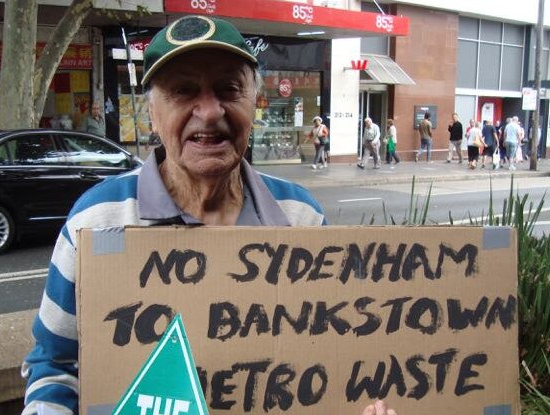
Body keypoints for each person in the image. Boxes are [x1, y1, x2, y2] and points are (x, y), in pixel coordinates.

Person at [20, 15, 394, 415]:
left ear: (254, 103)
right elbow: (56, 364)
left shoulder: (300, 217)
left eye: (228, 89)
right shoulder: (96, 219)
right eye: (183, 91)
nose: (211, 111)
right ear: (152, 113)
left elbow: (326, 357)